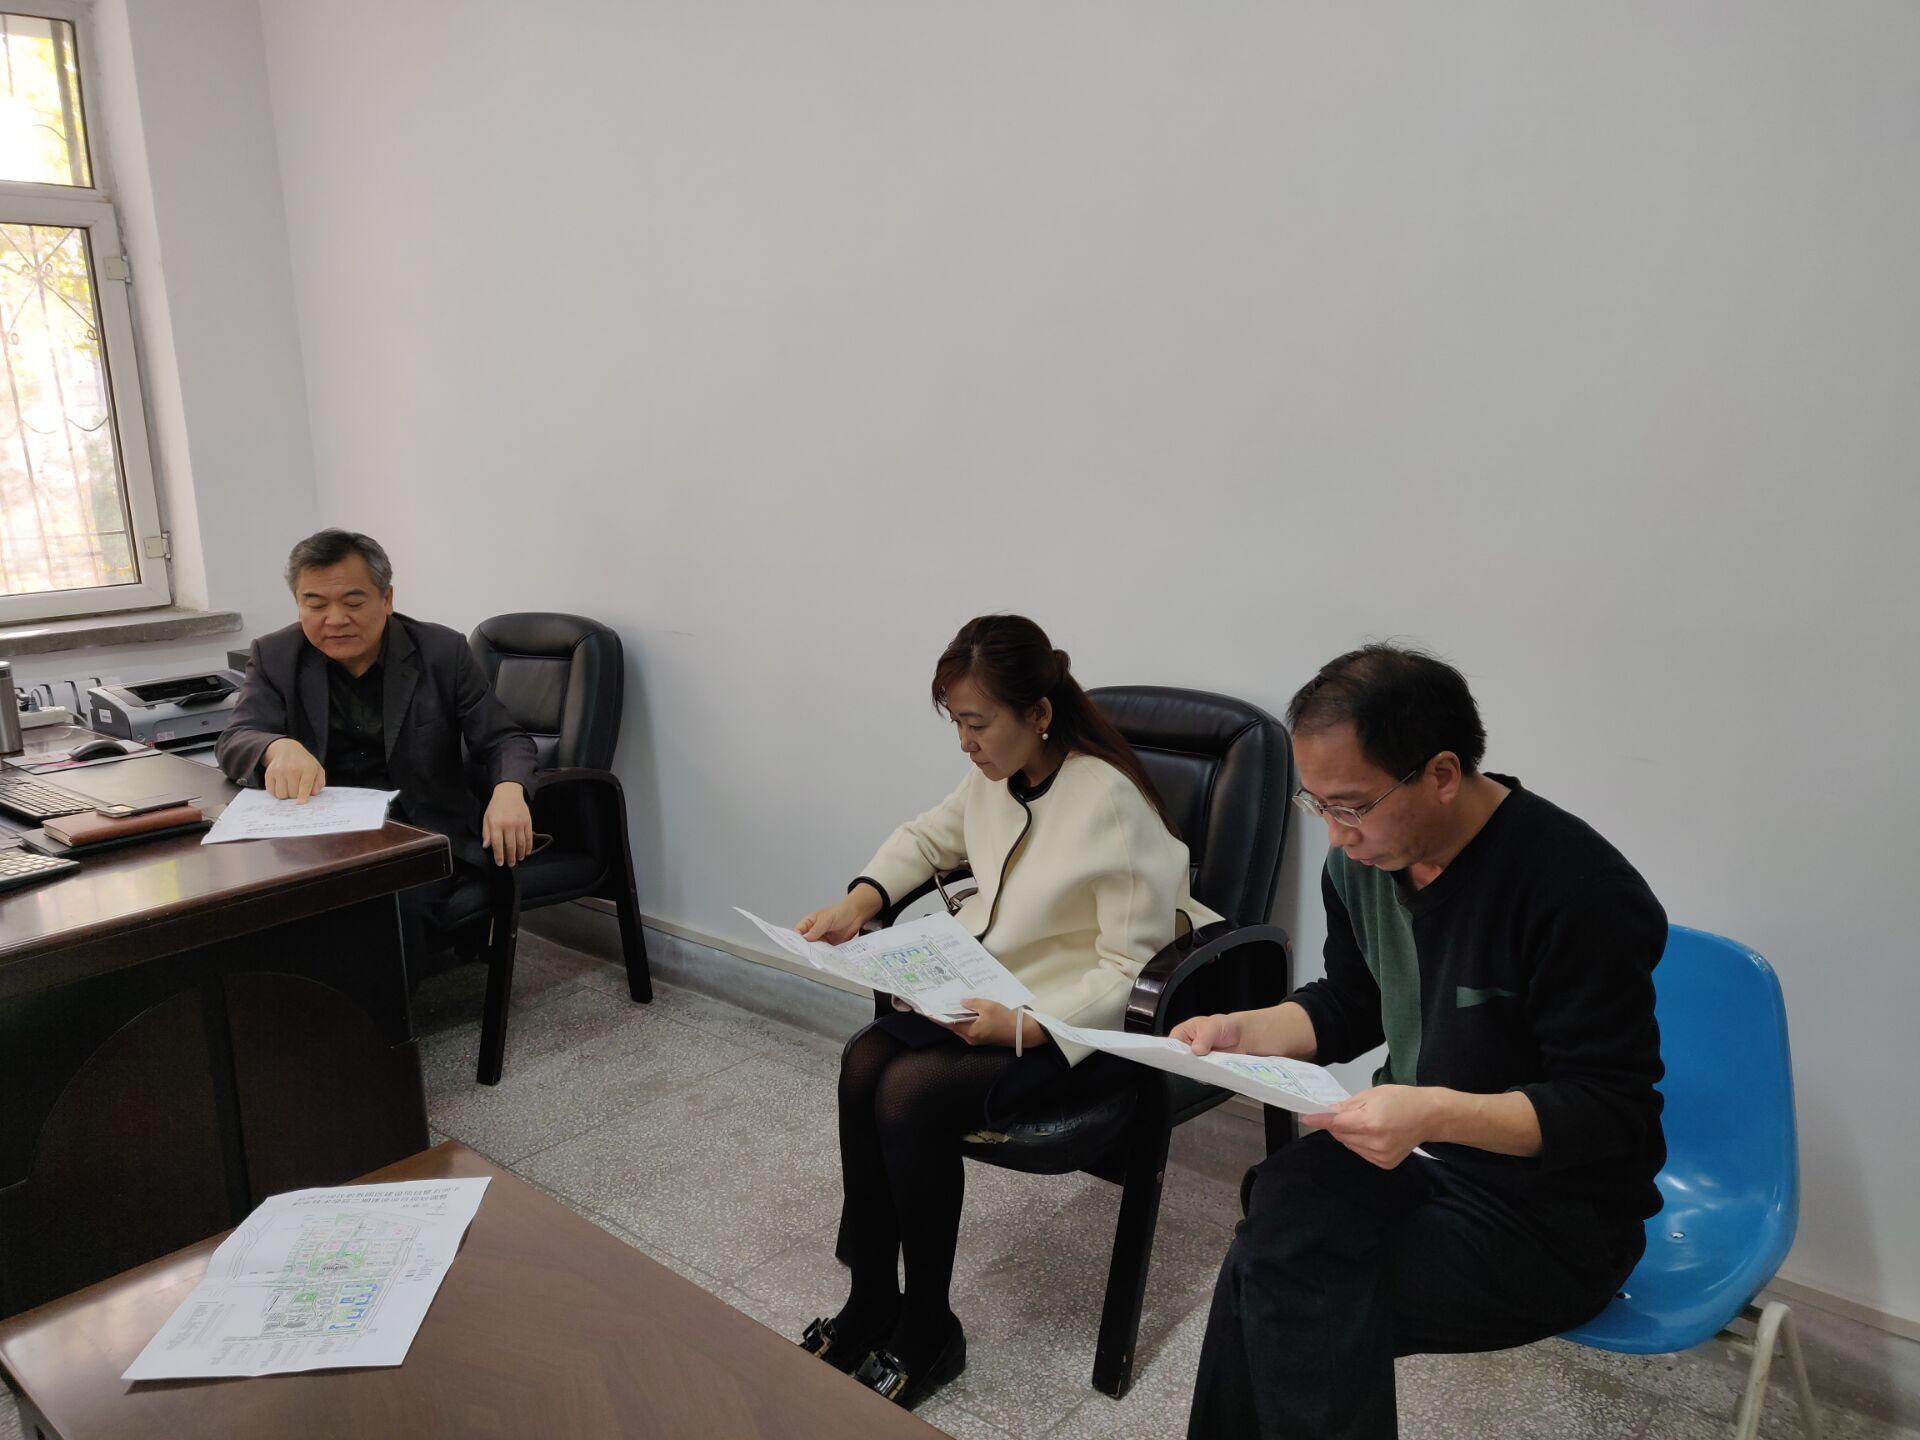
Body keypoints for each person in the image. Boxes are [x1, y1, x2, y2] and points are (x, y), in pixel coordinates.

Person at [1176, 644, 1667, 1439]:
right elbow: (1353, 1002)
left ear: (1441, 773)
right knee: (1280, 1237)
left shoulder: (1577, 890)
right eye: (1317, 806)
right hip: (1418, 1160)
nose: (1337, 837)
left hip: (1552, 1215)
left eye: (1351, 806)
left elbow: (1610, 1113)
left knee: (1282, 1281)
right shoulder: (1364, 865)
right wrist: (1245, 1030)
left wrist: (1430, 1112)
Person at [793, 615, 1220, 1410]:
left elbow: (1130, 972)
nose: (965, 743)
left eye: (977, 723)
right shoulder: (997, 777)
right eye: (956, 723)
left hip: (1079, 1028)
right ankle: (871, 1300)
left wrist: (1025, 1026)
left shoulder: (1110, 804)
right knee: (863, 1060)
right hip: (990, 989)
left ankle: (928, 1329)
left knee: (908, 1090)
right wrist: (861, 900)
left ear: (1039, 714)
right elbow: (928, 838)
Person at [217, 528, 538, 968]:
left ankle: (373, 1013)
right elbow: (236, 737)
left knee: (381, 914)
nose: (335, 619)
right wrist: (276, 746)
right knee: (257, 909)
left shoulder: (441, 651)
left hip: (418, 833)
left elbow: (504, 738)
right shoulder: (276, 655)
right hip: (321, 837)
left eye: (353, 602)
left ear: (387, 599)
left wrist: (509, 790)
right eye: (315, 604)